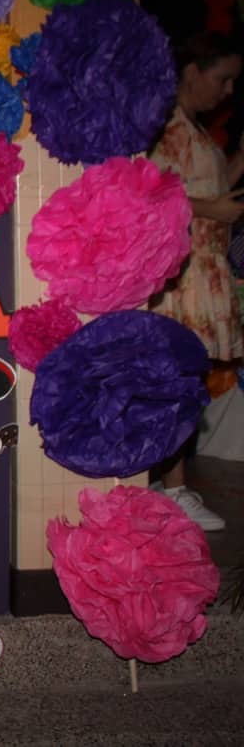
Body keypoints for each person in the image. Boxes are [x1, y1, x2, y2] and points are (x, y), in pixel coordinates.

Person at [147, 31, 244, 532]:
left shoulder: (194, 130)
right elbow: (148, 195)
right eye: (222, 79)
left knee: (187, 385)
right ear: (192, 73)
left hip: (201, 272)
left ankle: (173, 486)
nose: (227, 91)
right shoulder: (166, 129)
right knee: (177, 384)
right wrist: (212, 208)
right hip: (181, 277)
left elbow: (210, 189)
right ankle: (173, 488)